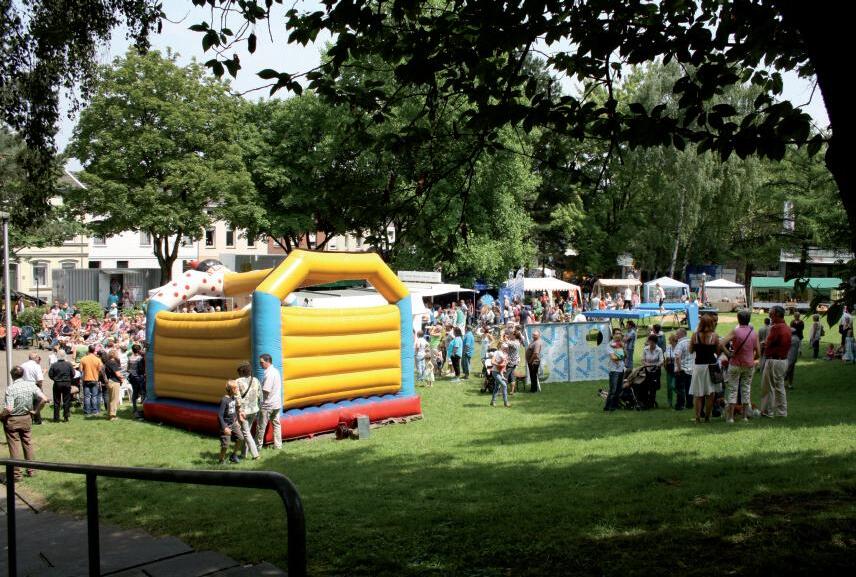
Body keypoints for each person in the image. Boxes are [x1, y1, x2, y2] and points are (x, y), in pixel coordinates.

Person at [3, 366, 47, 480]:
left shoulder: (11, 389)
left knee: (14, 446)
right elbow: (44, 399)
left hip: (12, 419)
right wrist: (36, 411)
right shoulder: (31, 385)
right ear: (22, 374)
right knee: (28, 443)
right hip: (26, 418)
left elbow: (9, 409)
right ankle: (32, 470)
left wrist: (1, 416)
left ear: (12, 376)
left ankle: (16, 474)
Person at [722, 309, 760, 423]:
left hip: (735, 364)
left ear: (738, 319)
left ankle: (730, 417)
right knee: (746, 389)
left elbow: (721, 343)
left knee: (733, 389)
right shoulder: (754, 333)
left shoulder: (735, 331)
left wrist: (728, 354)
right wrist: (751, 358)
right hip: (748, 365)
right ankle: (744, 416)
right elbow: (758, 352)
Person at [688, 314, 724, 423]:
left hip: (699, 366)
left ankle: (698, 417)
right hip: (711, 366)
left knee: (698, 394)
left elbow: (690, 350)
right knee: (710, 393)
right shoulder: (715, 336)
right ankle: (708, 417)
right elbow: (718, 351)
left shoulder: (695, 336)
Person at [759, 305, 792, 418]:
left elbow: (768, 344)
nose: (770, 315)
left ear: (777, 314)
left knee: (768, 387)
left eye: (771, 313)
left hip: (773, 360)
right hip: (783, 360)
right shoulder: (786, 327)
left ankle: (767, 411)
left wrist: (762, 344)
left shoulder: (775, 328)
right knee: (779, 387)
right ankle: (782, 412)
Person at [257, 353, 283, 450]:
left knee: (261, 427)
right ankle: (278, 445)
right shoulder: (276, 371)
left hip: (268, 405)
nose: (260, 364)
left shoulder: (269, 373)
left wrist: (257, 395)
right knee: (276, 425)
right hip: (276, 403)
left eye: (262, 362)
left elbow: (266, 390)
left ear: (267, 362)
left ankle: (257, 447)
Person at [235, 362, 261, 460]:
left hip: (244, 412)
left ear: (241, 371)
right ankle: (243, 454)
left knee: (246, 433)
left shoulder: (238, 381)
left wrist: (239, 411)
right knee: (247, 432)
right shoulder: (256, 380)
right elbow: (259, 395)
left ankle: (256, 455)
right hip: (254, 410)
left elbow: (237, 398)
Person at [218, 380, 245, 464]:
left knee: (241, 438)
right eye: (236, 388)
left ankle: (233, 455)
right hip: (226, 425)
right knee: (226, 444)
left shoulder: (233, 398)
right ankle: (221, 460)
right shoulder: (224, 400)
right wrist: (224, 428)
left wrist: (236, 420)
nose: (238, 390)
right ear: (232, 389)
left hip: (233, 423)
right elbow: (220, 415)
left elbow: (233, 411)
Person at [48, 350, 75, 422]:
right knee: (66, 400)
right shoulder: (69, 364)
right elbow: (73, 374)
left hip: (57, 383)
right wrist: (69, 379)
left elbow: (50, 375)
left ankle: (56, 418)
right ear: (65, 356)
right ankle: (66, 417)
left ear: (57, 356)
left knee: (56, 401)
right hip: (67, 383)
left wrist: (55, 379)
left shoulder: (54, 365)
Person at [20, 353, 45, 424]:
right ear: (35, 358)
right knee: (37, 402)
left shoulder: (23, 365)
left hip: (25, 385)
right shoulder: (37, 366)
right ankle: (37, 419)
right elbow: (40, 379)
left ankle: (29, 419)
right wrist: (40, 387)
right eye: (38, 357)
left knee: (27, 403)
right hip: (34, 385)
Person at [604, 330, 625, 411]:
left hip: (621, 369)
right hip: (613, 370)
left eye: (619, 333)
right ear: (613, 335)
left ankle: (615, 406)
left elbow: (626, 355)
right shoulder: (610, 345)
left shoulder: (621, 344)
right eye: (616, 333)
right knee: (613, 389)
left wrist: (623, 348)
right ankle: (607, 407)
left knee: (619, 389)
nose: (618, 335)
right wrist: (622, 356)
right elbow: (613, 357)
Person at [80, 344, 104, 417]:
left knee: (87, 396)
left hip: (86, 379)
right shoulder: (98, 359)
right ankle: (95, 411)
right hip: (95, 379)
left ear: (88, 350)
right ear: (94, 351)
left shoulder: (83, 359)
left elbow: (80, 370)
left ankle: (87, 411)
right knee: (94, 396)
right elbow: (100, 370)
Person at [672, 328, 693, 411]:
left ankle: (680, 405)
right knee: (689, 388)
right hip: (691, 369)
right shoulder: (691, 341)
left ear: (681, 334)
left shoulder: (680, 343)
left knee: (680, 388)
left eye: (677, 334)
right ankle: (689, 404)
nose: (676, 335)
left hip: (682, 369)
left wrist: (679, 368)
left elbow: (677, 357)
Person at [641, 334, 663, 409]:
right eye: (649, 341)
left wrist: (656, 365)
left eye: (650, 341)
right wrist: (646, 364)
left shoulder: (659, 350)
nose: (649, 343)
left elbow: (661, 361)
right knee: (645, 386)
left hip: (655, 371)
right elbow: (642, 359)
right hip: (646, 370)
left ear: (654, 342)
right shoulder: (645, 349)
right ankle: (645, 401)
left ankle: (651, 403)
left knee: (653, 388)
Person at [103, 350, 123, 420]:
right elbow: (118, 374)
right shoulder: (113, 363)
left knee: (110, 399)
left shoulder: (107, 363)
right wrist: (122, 378)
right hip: (114, 381)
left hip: (109, 381)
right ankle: (113, 415)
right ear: (115, 355)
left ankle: (109, 414)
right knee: (115, 399)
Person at [127, 344, 146, 416]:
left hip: (132, 377)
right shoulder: (140, 358)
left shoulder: (130, 358)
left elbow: (128, 369)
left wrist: (132, 372)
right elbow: (142, 369)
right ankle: (144, 408)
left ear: (132, 350)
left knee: (135, 392)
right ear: (139, 350)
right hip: (139, 377)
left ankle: (134, 408)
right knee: (143, 392)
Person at [489, 343, 511, 407]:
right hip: (495, 372)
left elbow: (505, 362)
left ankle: (493, 402)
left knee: (497, 387)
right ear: (501, 347)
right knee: (504, 385)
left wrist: (506, 363)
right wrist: (499, 365)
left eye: (506, 348)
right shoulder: (497, 352)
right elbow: (492, 362)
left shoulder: (505, 354)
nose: (506, 349)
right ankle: (506, 403)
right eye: (504, 348)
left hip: (500, 372)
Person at [505, 330, 522, 394]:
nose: (510, 335)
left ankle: (502, 391)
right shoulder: (517, 342)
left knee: (505, 376)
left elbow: (506, 342)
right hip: (515, 361)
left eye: (512, 334)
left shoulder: (514, 343)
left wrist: (504, 336)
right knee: (512, 376)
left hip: (511, 362)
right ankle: (512, 391)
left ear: (514, 336)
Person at [664, 333, 678, 408]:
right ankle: (669, 402)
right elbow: (666, 357)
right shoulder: (668, 347)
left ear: (674, 341)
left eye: (670, 340)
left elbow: (678, 358)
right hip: (669, 368)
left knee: (674, 385)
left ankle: (680, 397)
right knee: (669, 387)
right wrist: (666, 363)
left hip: (676, 369)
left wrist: (672, 359)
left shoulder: (678, 347)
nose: (669, 342)